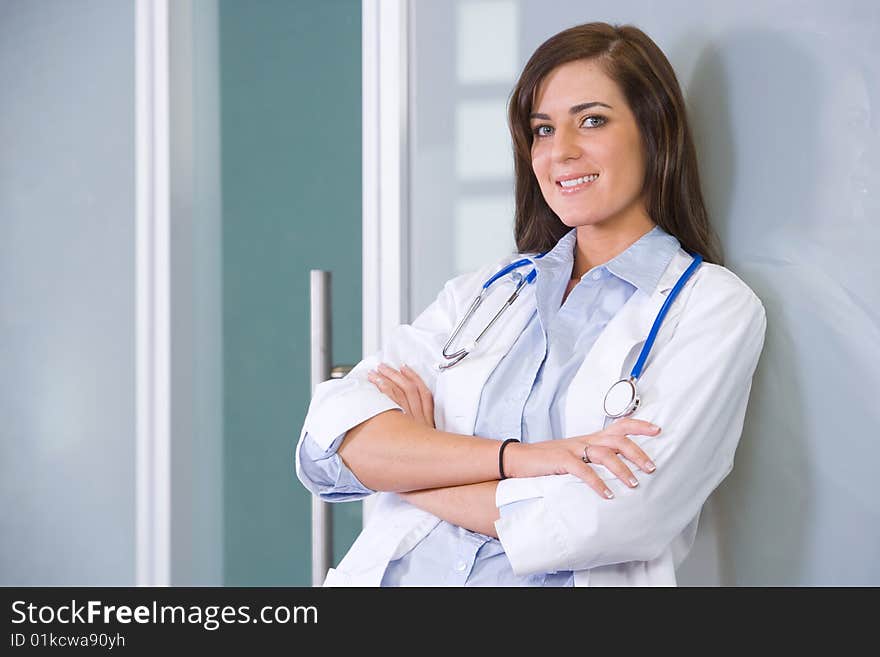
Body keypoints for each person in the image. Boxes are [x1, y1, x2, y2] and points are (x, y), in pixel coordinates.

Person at [295, 21, 766, 587]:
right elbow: (327, 447)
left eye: (591, 120)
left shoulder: (713, 308)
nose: (560, 152)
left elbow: (608, 518)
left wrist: (413, 465)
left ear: (653, 130)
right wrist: (521, 460)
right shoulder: (487, 291)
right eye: (542, 129)